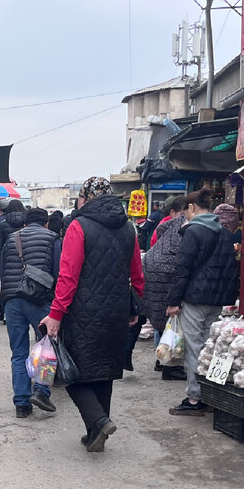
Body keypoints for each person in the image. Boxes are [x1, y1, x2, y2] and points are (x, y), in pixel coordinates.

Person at [40, 177, 143, 453]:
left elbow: (68, 276)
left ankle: (99, 421)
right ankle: (96, 434)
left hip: (83, 310)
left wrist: (56, 313)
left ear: (84, 199)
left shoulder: (79, 226)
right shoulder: (129, 227)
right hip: (117, 310)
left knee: (69, 372)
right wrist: (136, 306)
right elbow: (136, 273)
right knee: (104, 370)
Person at [166, 189, 241, 416]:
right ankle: (211, 394)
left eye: (186, 212)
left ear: (192, 207)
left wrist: (173, 301)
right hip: (218, 301)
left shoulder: (193, 231)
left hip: (195, 298)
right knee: (212, 348)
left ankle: (194, 398)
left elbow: (183, 268)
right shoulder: (225, 233)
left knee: (194, 348)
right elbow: (230, 268)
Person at [0, 207, 60, 417]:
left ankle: (22, 404)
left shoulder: (11, 239)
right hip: (40, 299)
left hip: (13, 299)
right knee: (47, 346)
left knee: (18, 352)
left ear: (25, 224)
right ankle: (41, 391)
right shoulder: (53, 238)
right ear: (46, 223)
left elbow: (3, 269)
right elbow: (58, 272)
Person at [141, 194, 189, 381]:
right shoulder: (184, 224)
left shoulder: (168, 225)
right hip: (166, 273)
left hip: (153, 270)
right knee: (171, 320)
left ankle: (162, 361)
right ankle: (170, 366)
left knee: (164, 321)